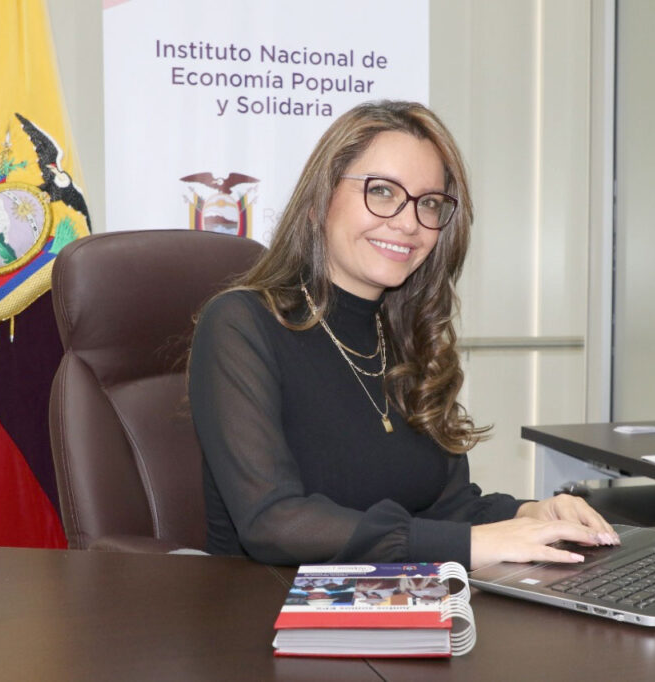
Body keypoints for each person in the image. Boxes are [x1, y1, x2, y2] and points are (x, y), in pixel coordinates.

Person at [188, 100, 619, 570]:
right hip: (267, 604)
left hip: (395, 598)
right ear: (317, 202)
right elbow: (275, 522)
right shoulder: (241, 323)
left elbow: (445, 508)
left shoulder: (408, 336)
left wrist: (530, 514)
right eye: (382, 191)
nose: (409, 222)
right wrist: (468, 545)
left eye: (429, 202)